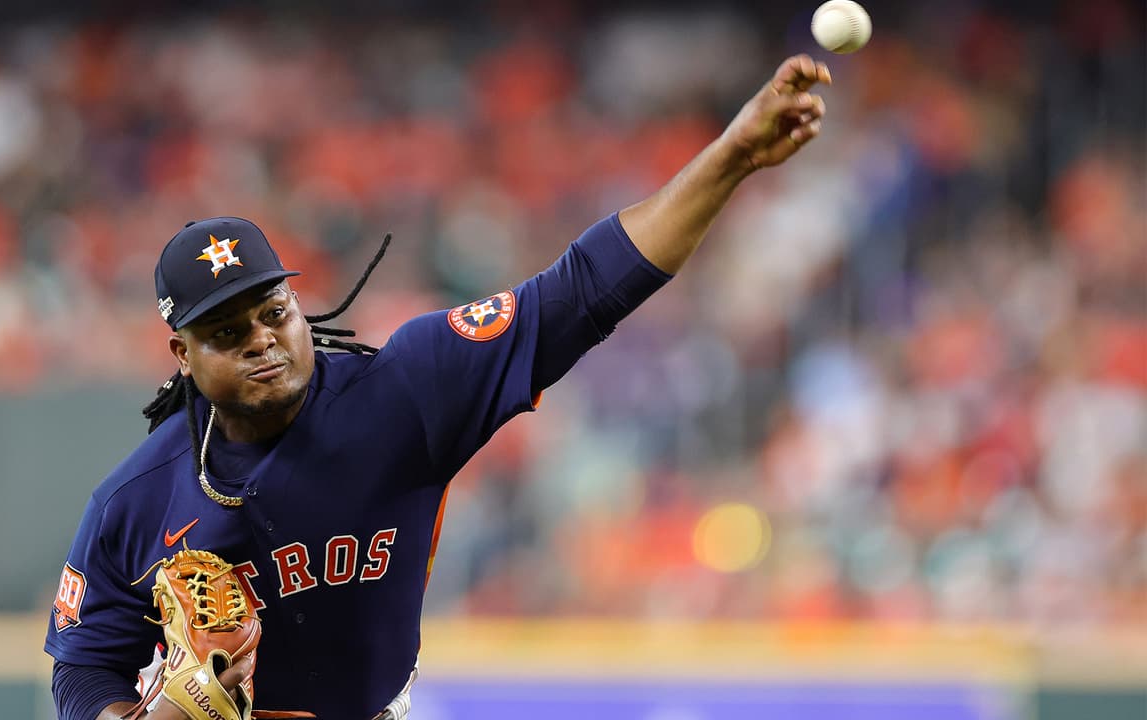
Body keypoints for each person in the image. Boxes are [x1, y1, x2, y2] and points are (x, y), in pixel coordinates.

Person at [45, 54, 831, 720]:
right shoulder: (136, 500)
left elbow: (583, 290)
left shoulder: (403, 392)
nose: (261, 341)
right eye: (226, 333)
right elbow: (82, 667)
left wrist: (731, 156)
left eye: (272, 312)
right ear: (181, 353)